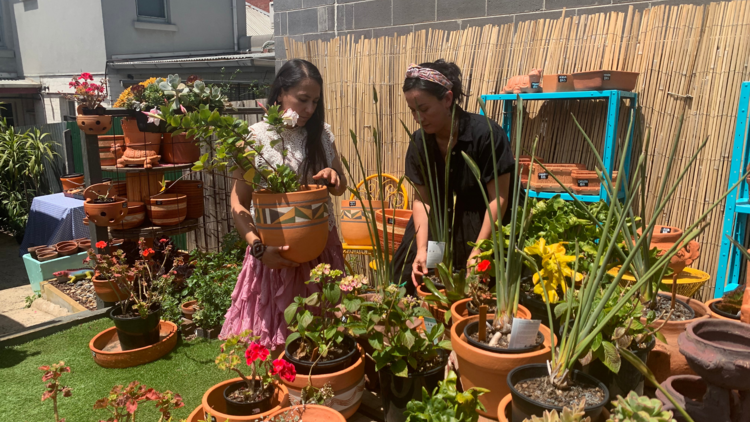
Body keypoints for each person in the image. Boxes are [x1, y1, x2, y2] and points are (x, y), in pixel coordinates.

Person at [220, 59, 348, 350]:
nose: (310, 109)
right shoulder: (255, 138)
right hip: (274, 253)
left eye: (315, 101)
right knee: (277, 341)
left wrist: (333, 178)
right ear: (279, 93)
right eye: (303, 99)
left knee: (324, 338)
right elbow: (238, 202)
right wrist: (258, 248)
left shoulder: (323, 134)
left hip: (321, 248)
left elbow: (341, 185)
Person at [392, 60, 520, 295]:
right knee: (423, 279)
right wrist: (422, 249)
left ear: (448, 99)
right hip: (436, 227)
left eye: (424, 109)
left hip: (480, 226)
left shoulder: (486, 135)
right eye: (412, 110)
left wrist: (479, 249)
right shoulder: (420, 142)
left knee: (474, 290)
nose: (417, 118)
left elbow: (499, 199)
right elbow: (422, 201)